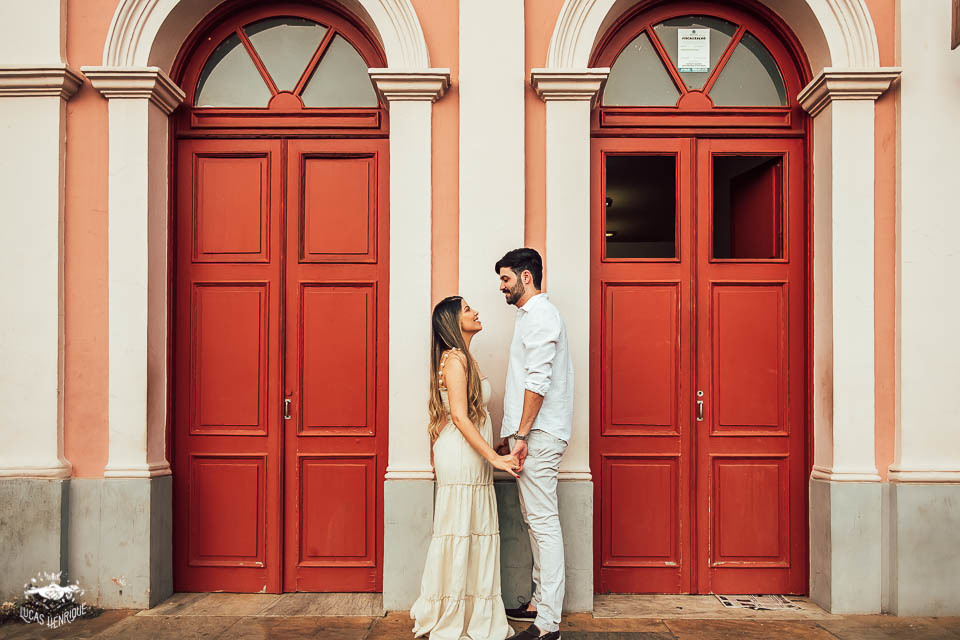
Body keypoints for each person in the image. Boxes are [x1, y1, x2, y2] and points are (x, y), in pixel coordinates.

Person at [411, 296, 520, 640]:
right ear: (454, 322)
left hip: (472, 456)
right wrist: (494, 457)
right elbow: (458, 417)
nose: (475, 312)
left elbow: (473, 414)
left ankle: (472, 608)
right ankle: (454, 610)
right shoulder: (455, 359)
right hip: (461, 457)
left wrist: (496, 445)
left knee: (472, 530)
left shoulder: (465, 357)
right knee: (460, 530)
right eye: (467, 309)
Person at [495, 248, 573, 640]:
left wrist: (521, 435)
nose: (502, 287)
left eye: (506, 279)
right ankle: (539, 606)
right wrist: (510, 433)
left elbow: (537, 382)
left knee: (543, 524)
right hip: (529, 434)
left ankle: (548, 625)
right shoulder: (531, 317)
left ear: (526, 277)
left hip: (538, 436)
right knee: (535, 521)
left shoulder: (541, 315)